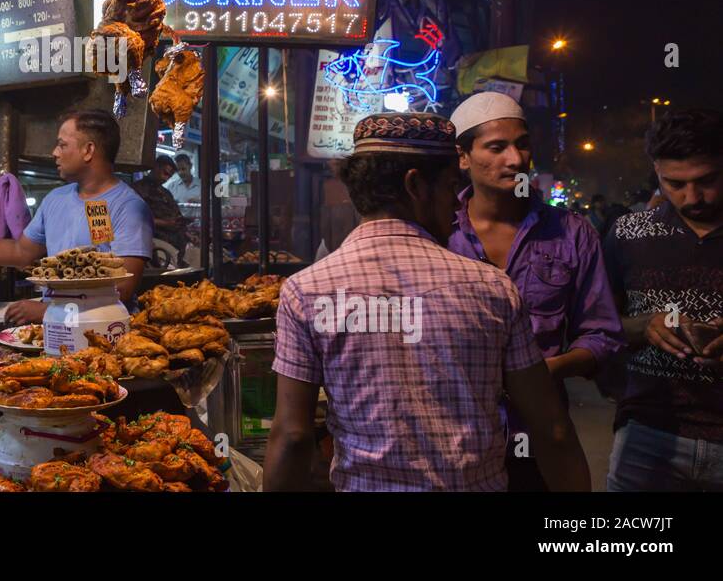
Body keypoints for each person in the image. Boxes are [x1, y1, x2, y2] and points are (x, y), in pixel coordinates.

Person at [263, 113, 590, 492]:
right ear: (415, 185)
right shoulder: (491, 287)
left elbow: (292, 436)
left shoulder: (306, 290)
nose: (456, 203)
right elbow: (552, 430)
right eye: (451, 186)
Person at [447, 91, 623, 491]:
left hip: (541, 434)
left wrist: (545, 371)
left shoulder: (572, 233)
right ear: (463, 156)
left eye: (522, 144)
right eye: (497, 147)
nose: (516, 159)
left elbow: (603, 335)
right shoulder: (440, 234)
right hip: (453, 438)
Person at [0, 109, 153, 324]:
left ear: (88, 150)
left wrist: (47, 311)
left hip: (105, 335)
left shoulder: (128, 207)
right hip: (56, 331)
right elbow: (20, 252)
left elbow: (122, 291)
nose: (54, 153)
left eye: (62, 145)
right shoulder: (56, 198)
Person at [604, 109, 723, 491]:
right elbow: (596, 327)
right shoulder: (628, 234)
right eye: (675, 183)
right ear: (656, 171)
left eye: (707, 180)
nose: (693, 197)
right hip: (648, 434)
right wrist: (643, 326)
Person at [130, 155, 188, 255]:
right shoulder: (138, 189)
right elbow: (132, 218)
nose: (166, 178)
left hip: (177, 245)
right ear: (156, 167)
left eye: (169, 176)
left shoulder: (166, 193)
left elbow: (177, 215)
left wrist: (187, 233)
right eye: (165, 173)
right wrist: (164, 223)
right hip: (154, 244)